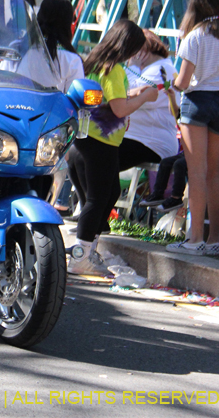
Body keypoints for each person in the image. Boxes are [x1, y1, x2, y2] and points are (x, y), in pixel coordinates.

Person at [67, 20, 159, 275]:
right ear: (127, 46)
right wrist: (145, 97)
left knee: (109, 194)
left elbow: (109, 100)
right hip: (101, 143)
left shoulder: (93, 63)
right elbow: (119, 109)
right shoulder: (115, 69)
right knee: (98, 200)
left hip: (85, 139)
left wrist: (131, 94)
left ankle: (88, 251)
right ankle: (80, 257)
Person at [165, 0, 219, 256]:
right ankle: (215, 240)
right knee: (216, 174)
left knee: (197, 173)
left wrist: (170, 88)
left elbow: (183, 81)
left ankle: (194, 240)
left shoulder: (195, 36)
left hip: (197, 102)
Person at [119, 29, 180, 171]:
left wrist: (132, 67)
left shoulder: (162, 70)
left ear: (141, 51)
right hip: (139, 138)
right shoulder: (158, 68)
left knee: (100, 157)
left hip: (151, 142)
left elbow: (130, 92)